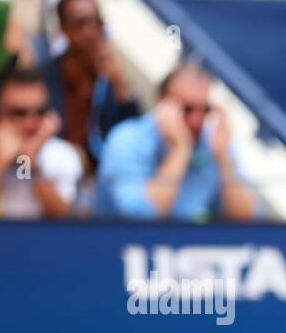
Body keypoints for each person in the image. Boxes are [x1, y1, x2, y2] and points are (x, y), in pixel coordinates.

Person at [95, 62, 255, 221]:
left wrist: (224, 158)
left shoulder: (212, 143)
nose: (197, 121)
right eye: (187, 109)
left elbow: (243, 217)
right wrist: (181, 149)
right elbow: (142, 216)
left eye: (205, 110)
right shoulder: (127, 140)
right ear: (161, 103)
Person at [43, 0, 139, 174]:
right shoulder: (44, 77)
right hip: (55, 173)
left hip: (103, 176)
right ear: (63, 28)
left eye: (97, 23)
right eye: (80, 23)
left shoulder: (112, 80)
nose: (90, 31)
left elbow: (134, 138)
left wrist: (120, 85)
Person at [0, 66, 80, 218]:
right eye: (19, 113)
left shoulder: (62, 154)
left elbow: (63, 218)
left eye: (40, 112)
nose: (30, 123)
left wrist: (27, 162)